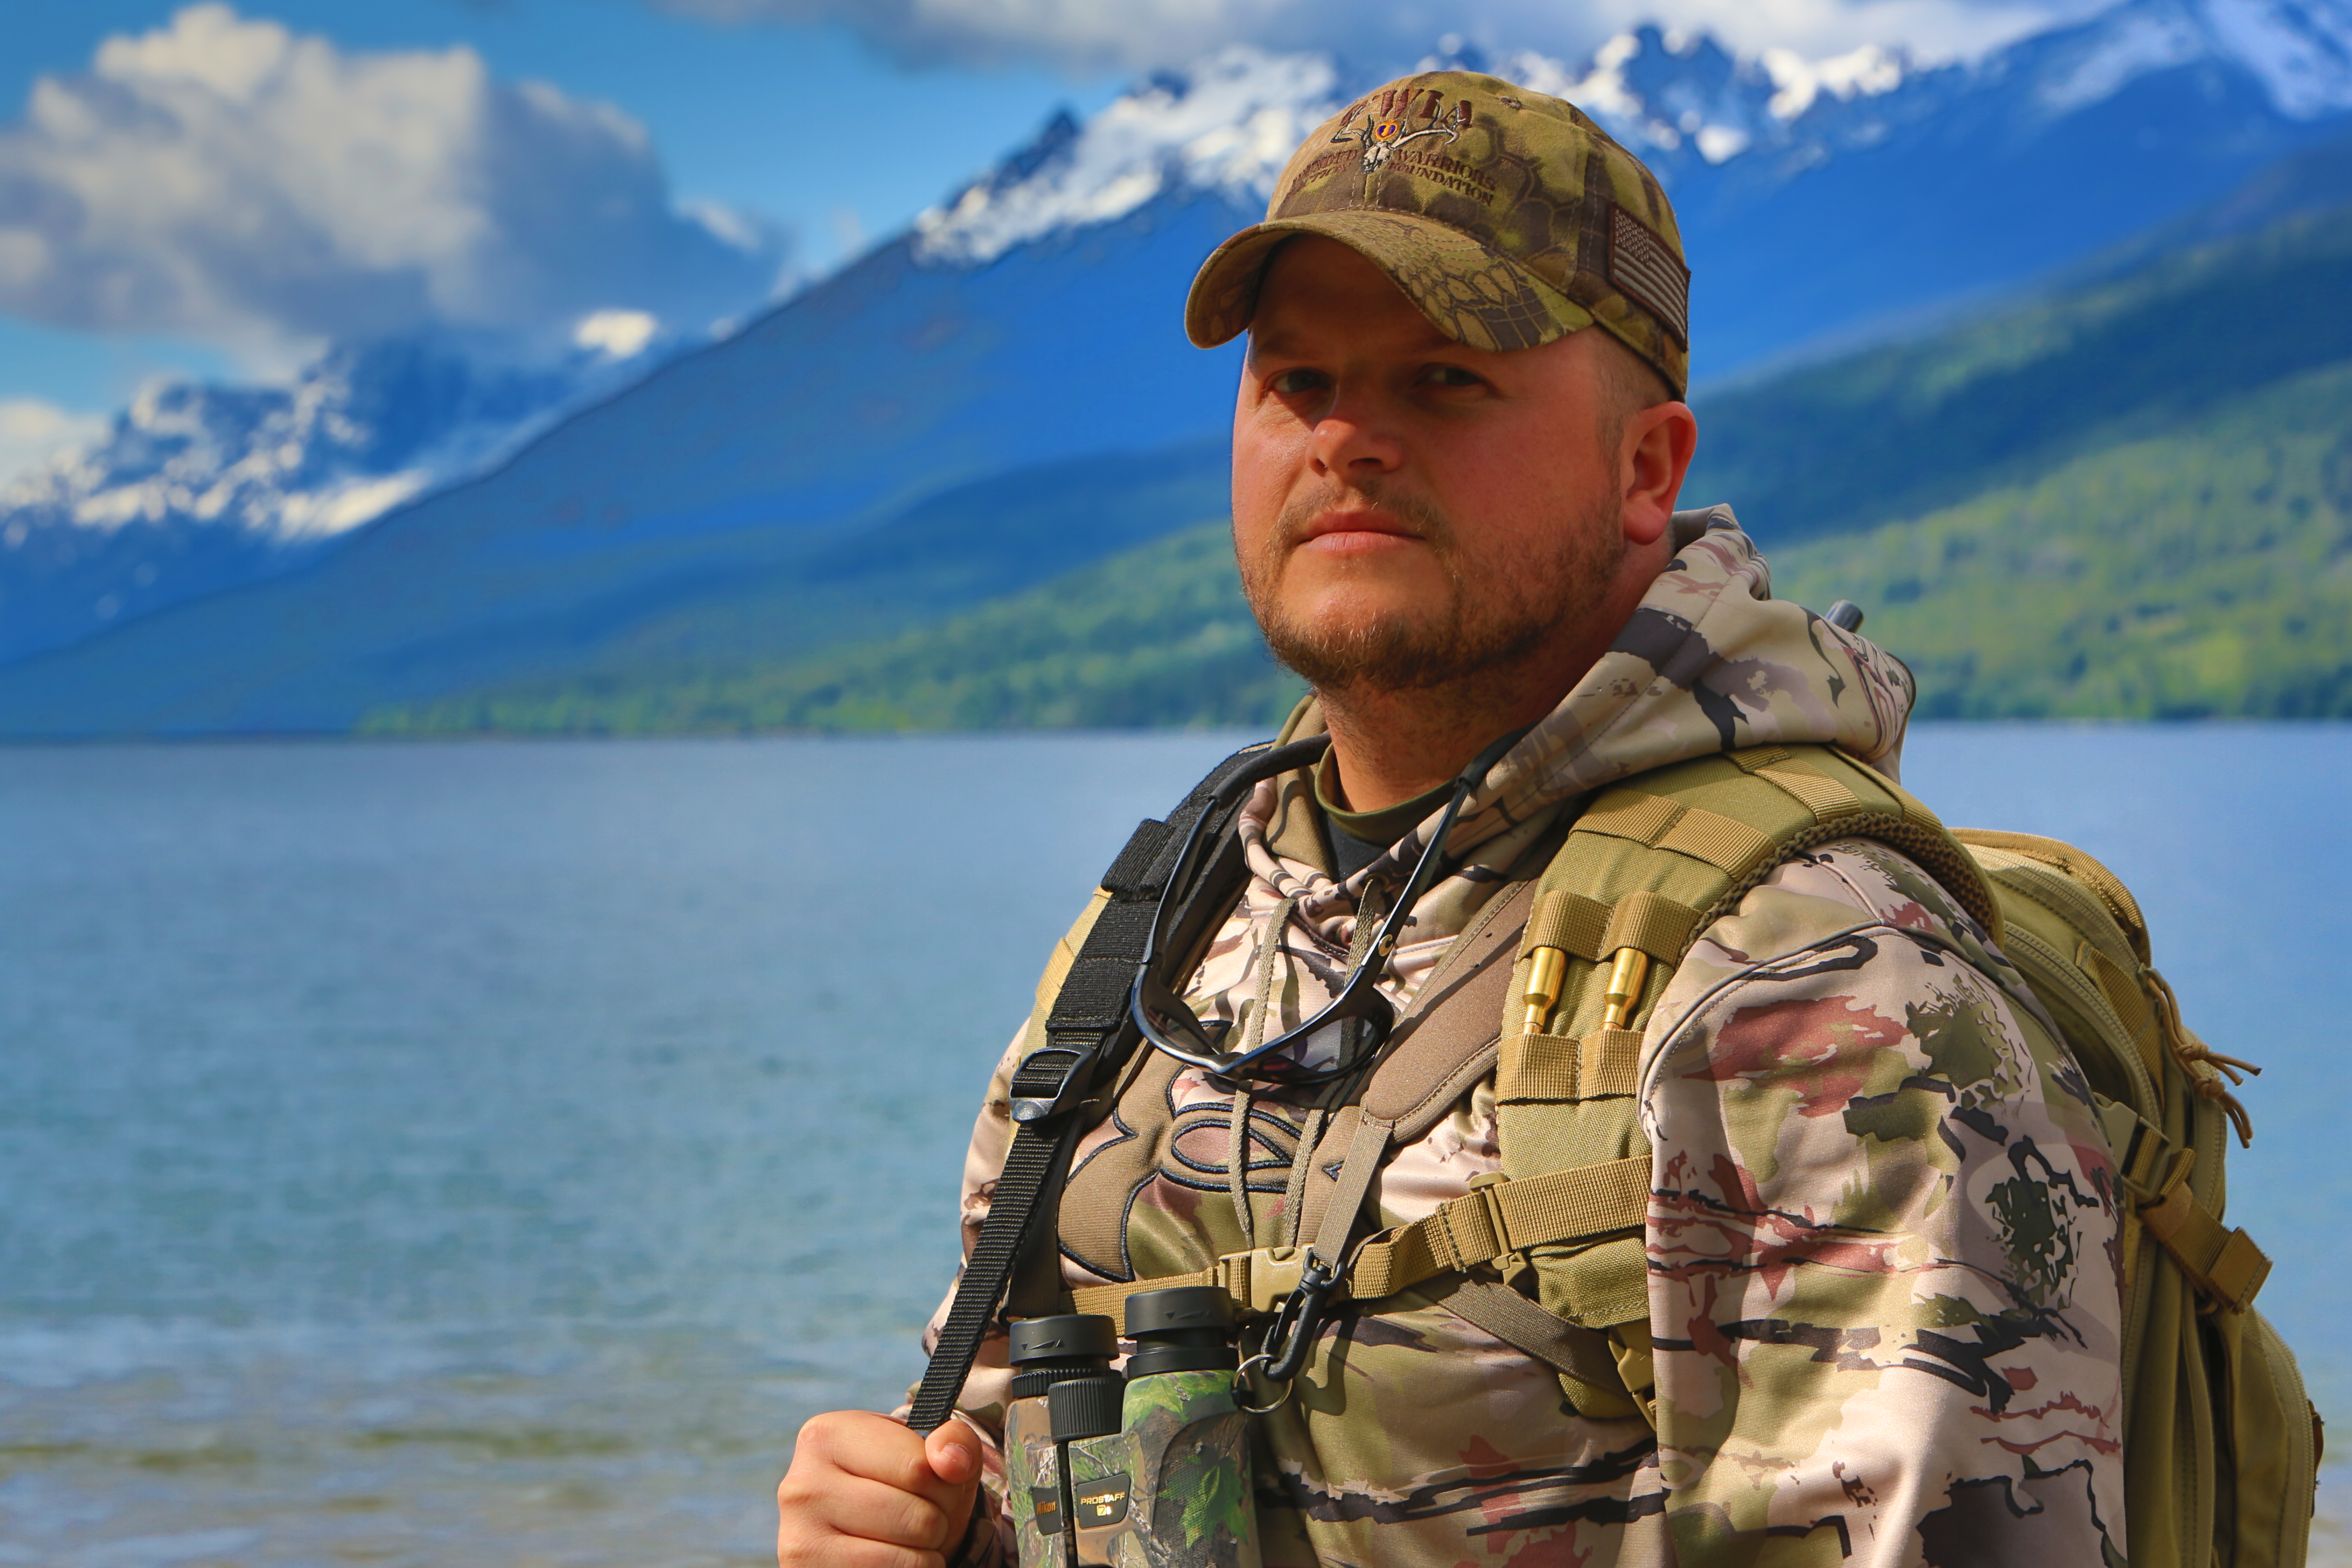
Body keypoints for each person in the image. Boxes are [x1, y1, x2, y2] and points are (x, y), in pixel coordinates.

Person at [775, 69, 2123, 1568]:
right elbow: (1008, 1453)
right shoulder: (1156, 950)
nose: (1347, 439)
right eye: (1299, 382)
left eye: (1446, 381)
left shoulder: (1818, 994)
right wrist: (923, 1533)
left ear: (1644, 469)